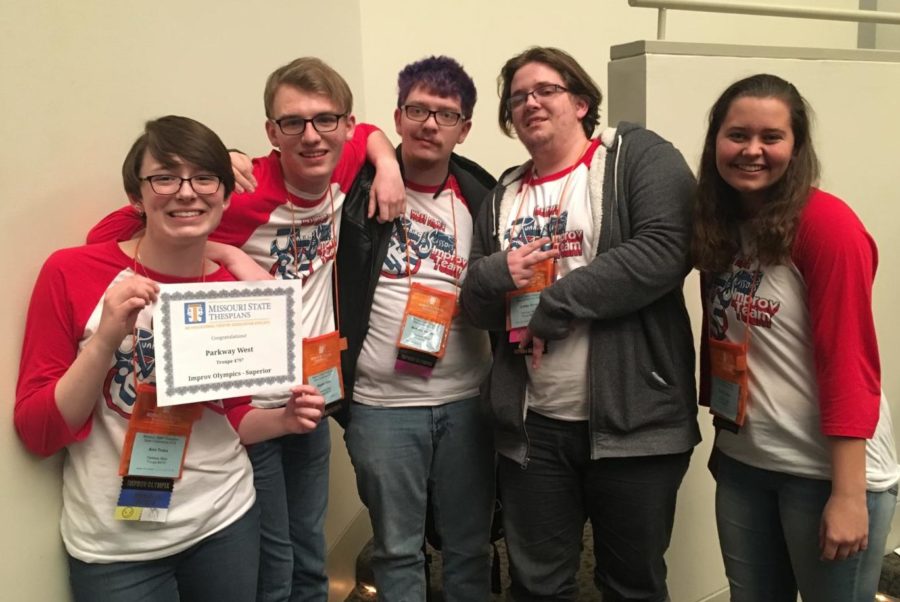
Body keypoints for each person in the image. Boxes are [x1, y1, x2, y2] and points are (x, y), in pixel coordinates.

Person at [86, 58, 405, 602]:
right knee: (273, 555)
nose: (310, 136)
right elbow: (112, 235)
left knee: (310, 540)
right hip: (243, 406)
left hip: (309, 396)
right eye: (292, 124)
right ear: (270, 133)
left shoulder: (343, 161)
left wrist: (388, 164)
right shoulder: (245, 189)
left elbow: (372, 131)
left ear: (344, 128)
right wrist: (226, 250)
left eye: (325, 121)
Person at [14, 115, 325, 602]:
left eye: (204, 178)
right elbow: (38, 432)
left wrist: (283, 420)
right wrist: (103, 342)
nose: (186, 193)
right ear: (137, 196)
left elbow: (236, 417)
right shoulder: (72, 272)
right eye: (165, 177)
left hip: (225, 521)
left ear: (225, 196)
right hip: (117, 549)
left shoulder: (229, 293)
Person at [459, 46, 700, 601]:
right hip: (533, 428)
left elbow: (666, 249)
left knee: (631, 585)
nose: (530, 103)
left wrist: (554, 306)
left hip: (636, 424)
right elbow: (474, 303)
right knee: (538, 584)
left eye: (545, 90)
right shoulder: (501, 197)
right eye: (518, 97)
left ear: (582, 101)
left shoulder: (636, 156)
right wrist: (498, 271)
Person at [693, 73, 899, 602]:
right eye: (737, 134)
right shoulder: (721, 223)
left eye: (771, 137)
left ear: (797, 147)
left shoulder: (827, 225)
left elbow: (848, 361)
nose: (752, 150)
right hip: (746, 465)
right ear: (716, 139)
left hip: (826, 472)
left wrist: (849, 495)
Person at [335, 56, 496, 601]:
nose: (430, 124)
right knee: (397, 550)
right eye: (418, 110)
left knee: (470, 546)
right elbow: (325, 136)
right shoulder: (354, 191)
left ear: (464, 128)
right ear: (398, 117)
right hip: (381, 408)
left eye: (446, 115)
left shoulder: (483, 196)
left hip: (467, 403)